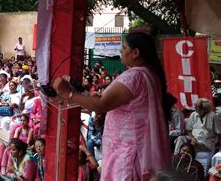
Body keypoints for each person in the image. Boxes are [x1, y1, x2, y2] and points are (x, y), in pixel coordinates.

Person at [52, 32, 172, 180]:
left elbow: (101, 105)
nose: (120, 51)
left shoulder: (135, 76)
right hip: (135, 152)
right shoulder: (149, 76)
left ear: (135, 53)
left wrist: (68, 93)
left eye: (124, 47)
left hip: (129, 156)